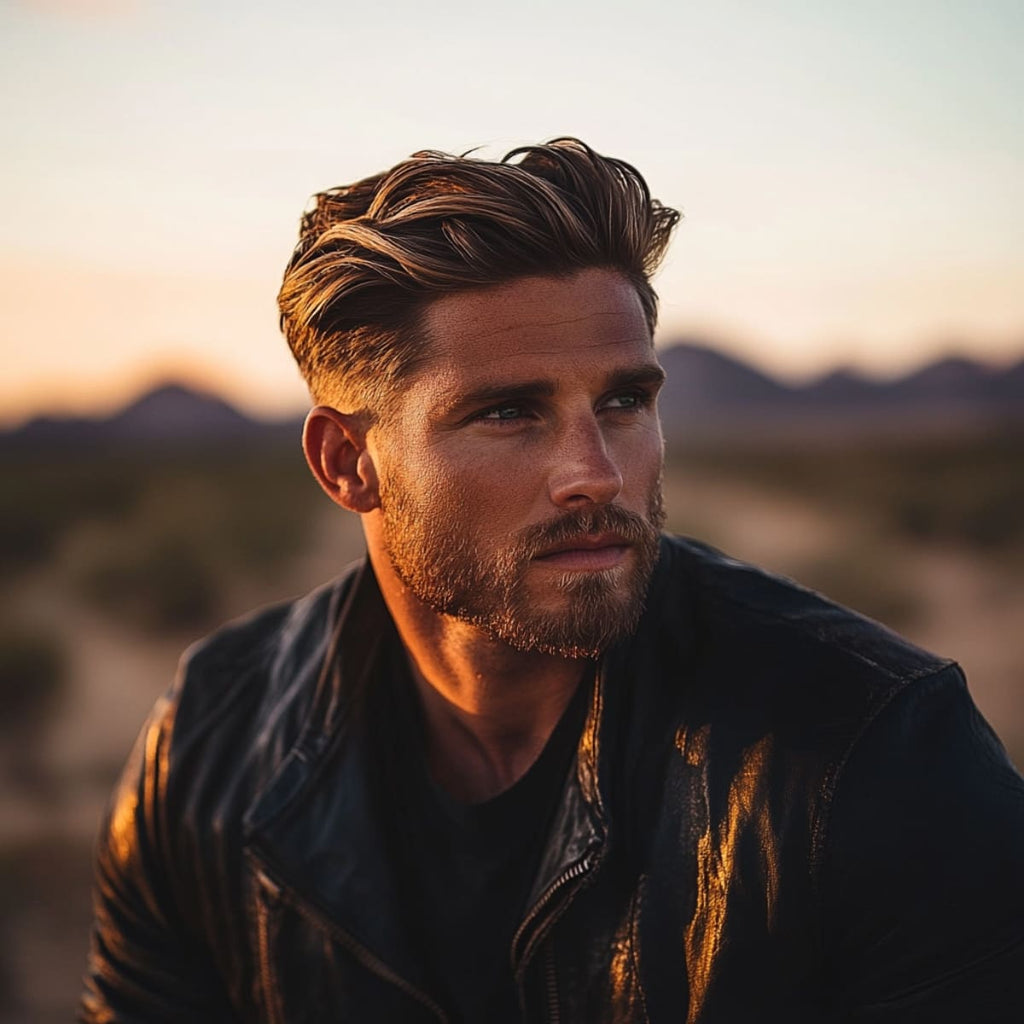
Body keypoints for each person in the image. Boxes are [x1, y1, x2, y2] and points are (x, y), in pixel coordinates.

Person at [81, 138, 1024, 1023]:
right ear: (347, 463)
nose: (596, 475)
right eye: (508, 413)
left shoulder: (876, 753)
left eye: (624, 400)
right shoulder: (207, 745)